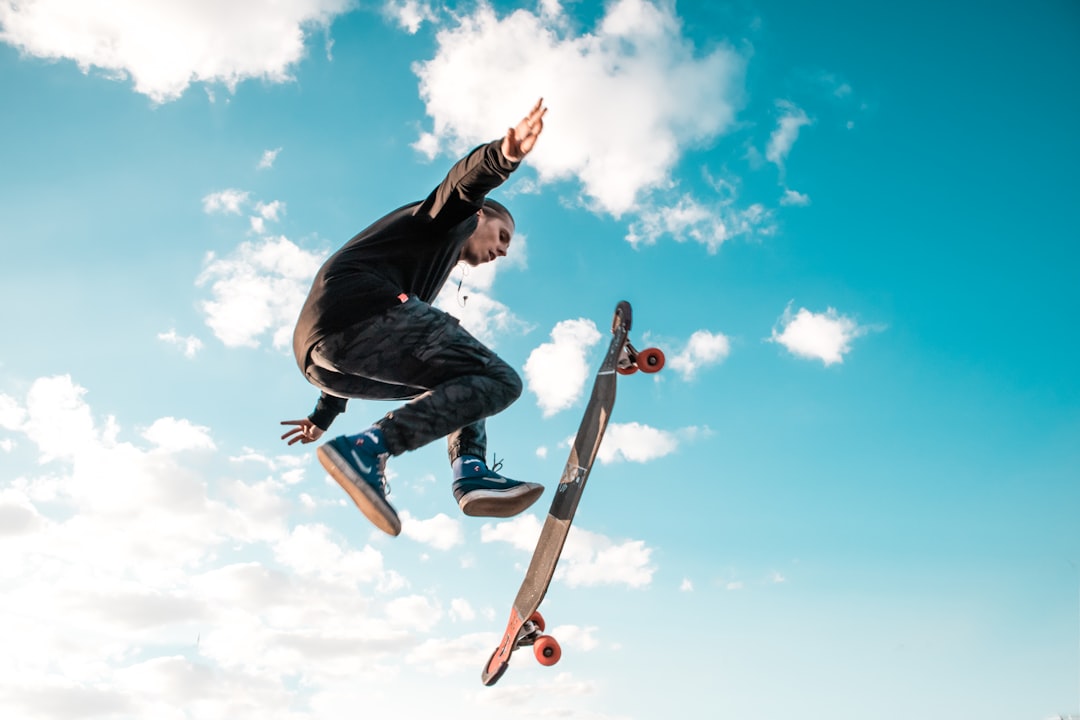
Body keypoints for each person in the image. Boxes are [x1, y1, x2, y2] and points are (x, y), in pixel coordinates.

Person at [280, 99, 548, 537]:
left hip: (324, 355)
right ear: (480, 216)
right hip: (362, 308)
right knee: (499, 380)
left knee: (464, 381)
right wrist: (504, 155)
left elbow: (355, 345)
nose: (503, 250)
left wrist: (322, 417)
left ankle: (469, 470)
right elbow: (460, 187)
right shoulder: (448, 220)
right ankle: (370, 449)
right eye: (502, 237)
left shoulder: (415, 263)